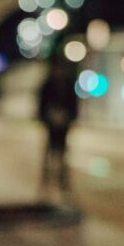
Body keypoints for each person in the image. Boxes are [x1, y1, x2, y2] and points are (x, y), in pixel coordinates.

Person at [38, 57, 78, 196]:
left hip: (64, 124)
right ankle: (46, 179)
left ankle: (62, 179)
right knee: (49, 152)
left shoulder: (68, 85)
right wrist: (47, 117)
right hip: (51, 123)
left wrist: (69, 117)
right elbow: (41, 105)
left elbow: (74, 105)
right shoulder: (48, 85)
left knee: (62, 152)